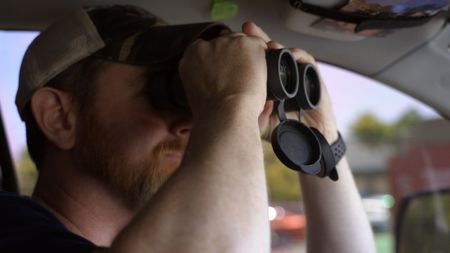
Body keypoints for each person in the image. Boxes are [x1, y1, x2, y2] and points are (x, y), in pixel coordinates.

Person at [0, 4, 376, 253]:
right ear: (59, 116)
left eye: (194, 94)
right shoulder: (12, 229)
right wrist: (230, 103)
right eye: (165, 92)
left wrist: (322, 142)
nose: (192, 121)